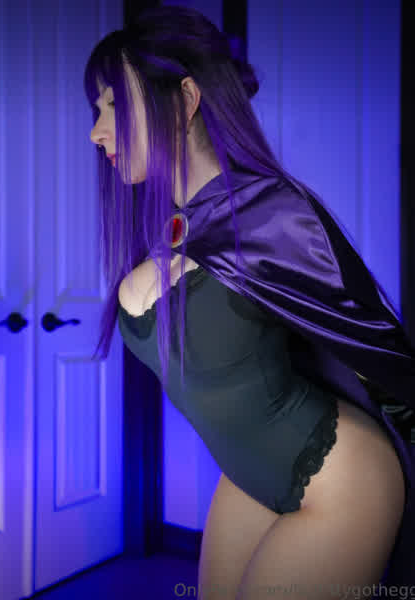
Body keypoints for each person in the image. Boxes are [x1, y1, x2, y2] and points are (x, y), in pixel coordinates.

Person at [85, 5, 415, 598]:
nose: (97, 131)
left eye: (113, 104)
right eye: (97, 110)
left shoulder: (272, 216)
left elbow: (375, 348)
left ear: (185, 99)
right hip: (247, 477)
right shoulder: (171, 227)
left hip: (341, 479)